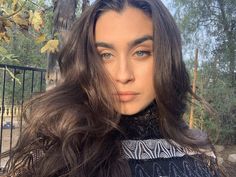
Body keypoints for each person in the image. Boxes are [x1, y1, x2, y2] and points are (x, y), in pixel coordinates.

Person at [3, 0, 224, 176]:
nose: (123, 75)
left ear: (167, 57)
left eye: (141, 52)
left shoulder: (200, 154)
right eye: (105, 56)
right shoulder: (60, 152)